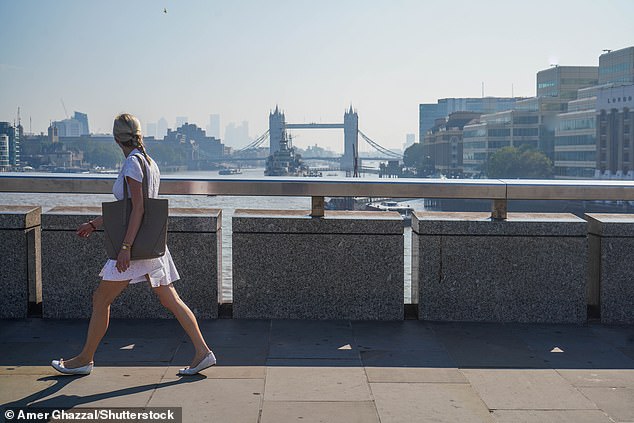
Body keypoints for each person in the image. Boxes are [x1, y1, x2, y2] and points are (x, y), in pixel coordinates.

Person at [51, 113, 215, 376]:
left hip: (134, 247)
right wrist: (94, 224)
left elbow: (136, 208)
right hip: (150, 244)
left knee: (101, 298)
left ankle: (84, 360)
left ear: (117, 139)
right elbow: (129, 209)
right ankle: (203, 352)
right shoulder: (150, 162)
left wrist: (125, 248)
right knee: (171, 299)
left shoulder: (131, 165)